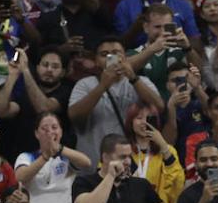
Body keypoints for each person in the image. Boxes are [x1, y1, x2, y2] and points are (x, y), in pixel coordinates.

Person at [67, 35, 163, 165]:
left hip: (134, 164)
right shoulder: (84, 84)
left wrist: (133, 78)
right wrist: (102, 86)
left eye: (116, 53)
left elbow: (159, 107)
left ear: (125, 58)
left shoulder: (141, 81)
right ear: (95, 60)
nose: (110, 58)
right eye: (104, 54)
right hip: (95, 165)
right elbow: (74, 115)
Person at [15, 112, 93, 203]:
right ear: (36, 133)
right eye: (45, 128)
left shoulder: (67, 158)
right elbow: (20, 177)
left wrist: (60, 149)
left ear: (61, 131)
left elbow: (87, 163)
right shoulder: (26, 157)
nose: (50, 132)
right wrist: (45, 156)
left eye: (54, 128)